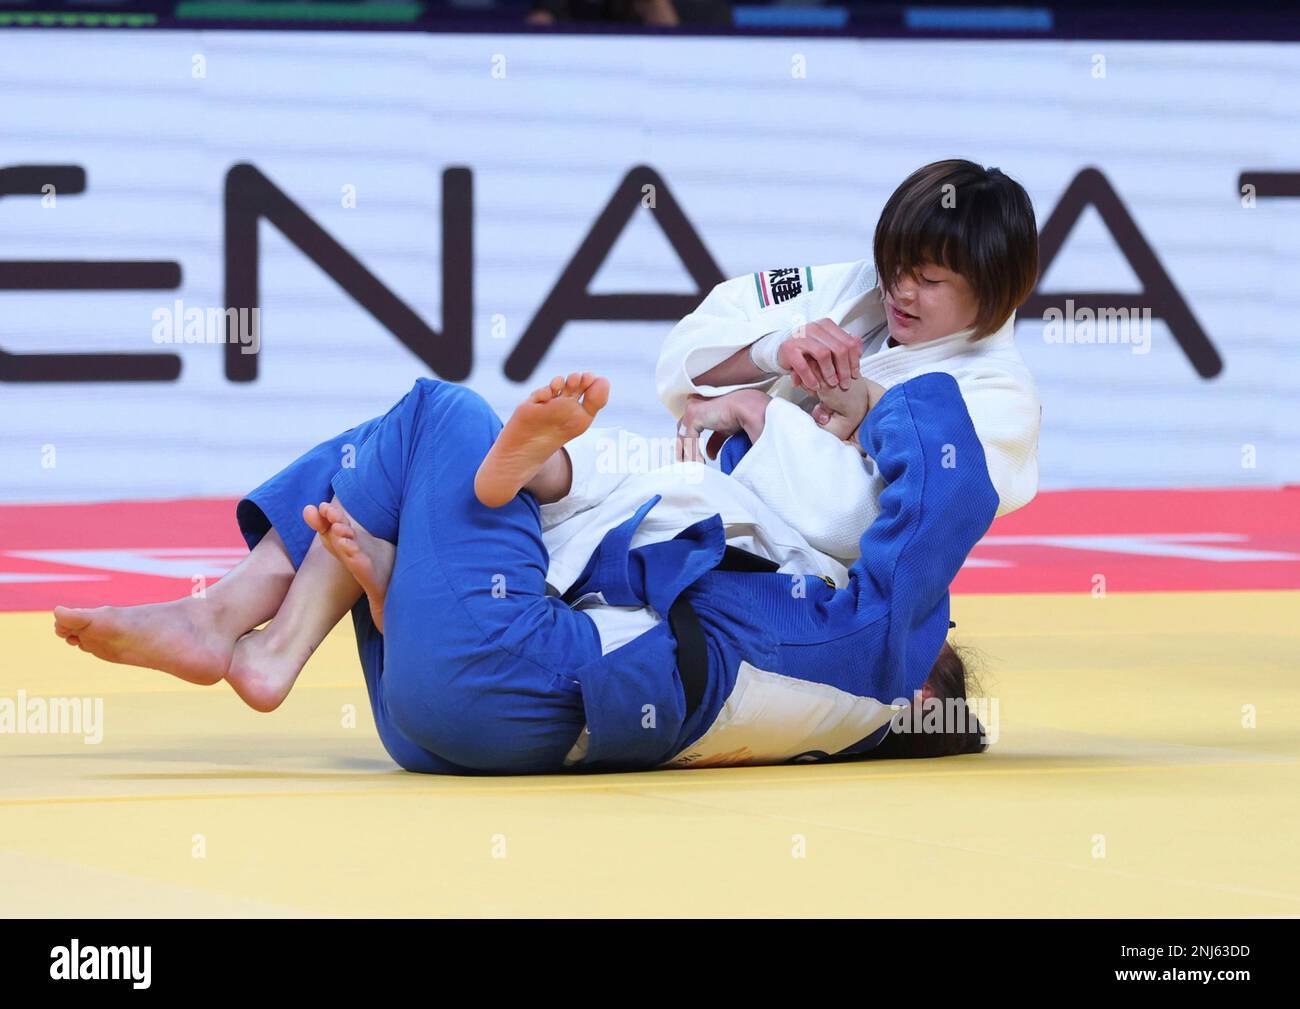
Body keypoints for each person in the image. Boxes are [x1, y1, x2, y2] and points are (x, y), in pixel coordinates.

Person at [54, 367, 995, 774]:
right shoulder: (807, 685)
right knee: (393, 458)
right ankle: (344, 600)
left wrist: (875, 393)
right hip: (454, 733)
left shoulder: (873, 664)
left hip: (511, 673)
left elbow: (954, 486)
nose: (936, 619)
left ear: (922, 693)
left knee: (442, 416)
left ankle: (252, 633)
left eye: (938, 636)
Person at [659, 159, 1042, 566]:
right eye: (894, 262)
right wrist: (773, 350)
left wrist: (755, 412)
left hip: (815, 588)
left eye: (928, 280)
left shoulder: (1003, 396)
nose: (899, 290)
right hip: (715, 524)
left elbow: (853, 522)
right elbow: (684, 353)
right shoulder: (862, 285)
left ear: (992, 287)